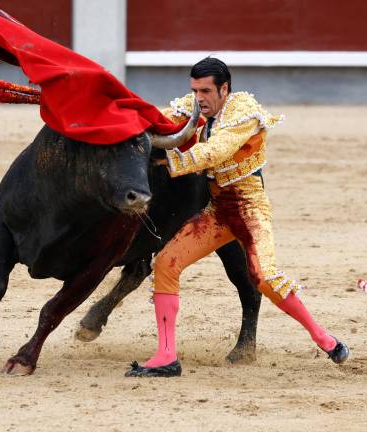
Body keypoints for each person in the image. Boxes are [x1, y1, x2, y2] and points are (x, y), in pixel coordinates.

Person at [125, 57, 349, 378]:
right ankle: (166, 357)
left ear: (224, 89)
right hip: (217, 211)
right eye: (194, 90)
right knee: (166, 263)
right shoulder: (197, 106)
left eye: (205, 90)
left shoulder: (244, 111)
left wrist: (172, 165)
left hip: (248, 207)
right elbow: (162, 118)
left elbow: (216, 151)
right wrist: (127, 122)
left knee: (263, 276)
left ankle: (324, 338)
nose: (198, 97)